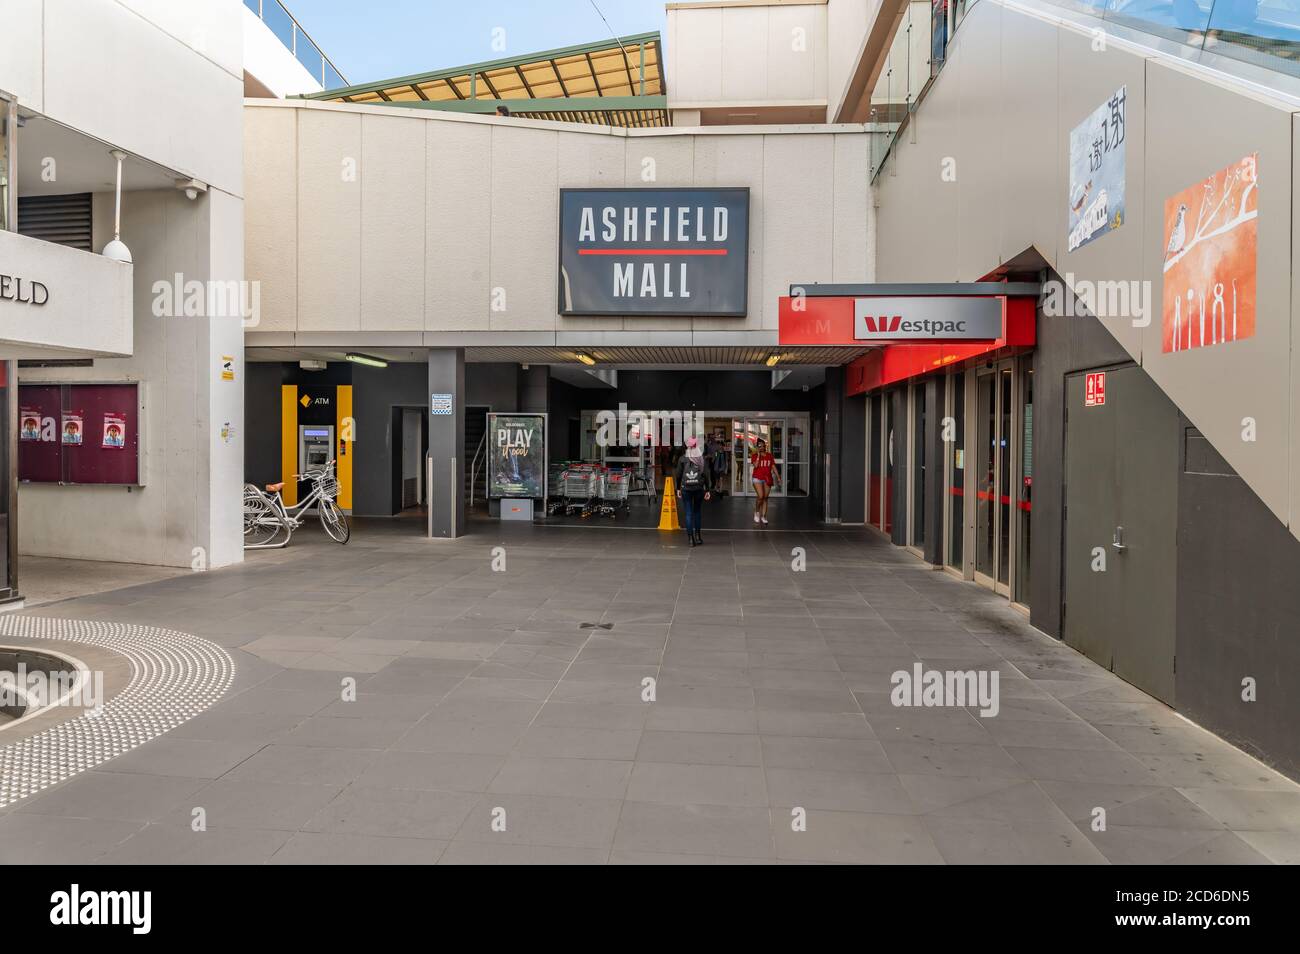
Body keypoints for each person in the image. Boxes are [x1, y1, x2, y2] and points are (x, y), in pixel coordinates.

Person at [674, 437, 712, 547]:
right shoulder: (700, 458)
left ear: (687, 446)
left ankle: (690, 539)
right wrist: (708, 489)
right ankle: (698, 537)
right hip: (698, 488)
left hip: (686, 488)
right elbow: (706, 474)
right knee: (697, 512)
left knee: (688, 513)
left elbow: (678, 475)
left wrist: (678, 489)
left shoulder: (682, 458)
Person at [750, 437, 780, 525]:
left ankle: (763, 516)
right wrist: (759, 455)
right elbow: (755, 466)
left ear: (765, 446)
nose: (762, 447)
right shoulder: (754, 455)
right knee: (760, 496)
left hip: (767, 478)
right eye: (760, 446)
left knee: (765, 498)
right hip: (757, 478)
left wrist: (778, 477)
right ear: (757, 447)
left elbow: (773, 467)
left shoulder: (769, 455)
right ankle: (756, 512)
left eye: (763, 446)